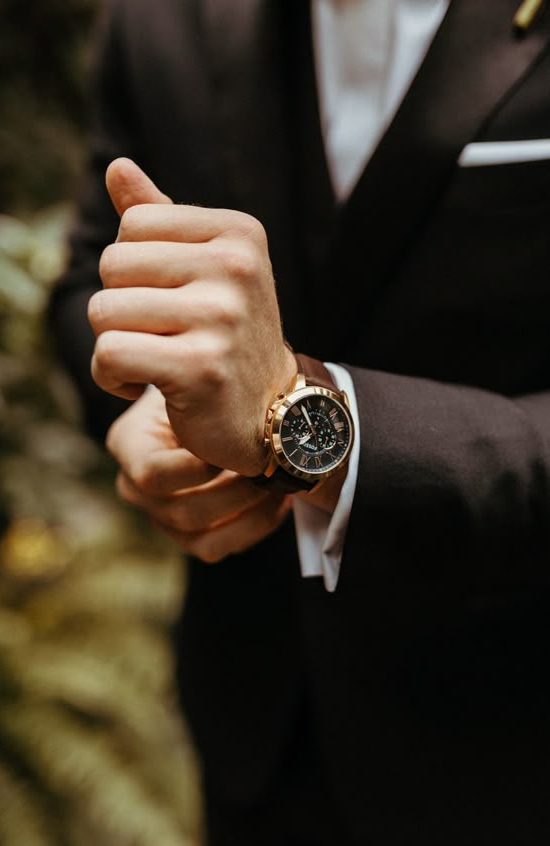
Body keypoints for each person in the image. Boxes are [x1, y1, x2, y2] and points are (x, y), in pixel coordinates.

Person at [49, 0, 550, 843]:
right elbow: (85, 281)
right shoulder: (159, 19)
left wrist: (316, 427)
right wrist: (150, 405)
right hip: (257, 737)